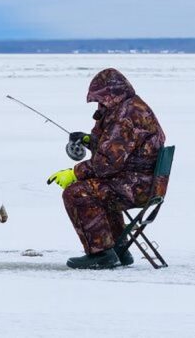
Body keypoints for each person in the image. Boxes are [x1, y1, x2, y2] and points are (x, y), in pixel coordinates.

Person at [47, 68, 166, 269]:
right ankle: (118, 249)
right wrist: (89, 140)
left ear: (113, 94)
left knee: (77, 193)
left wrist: (74, 173)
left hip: (136, 186)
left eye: (102, 99)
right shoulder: (130, 108)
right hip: (140, 182)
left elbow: (106, 163)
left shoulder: (126, 116)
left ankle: (100, 254)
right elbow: (117, 149)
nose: (100, 104)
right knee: (99, 190)